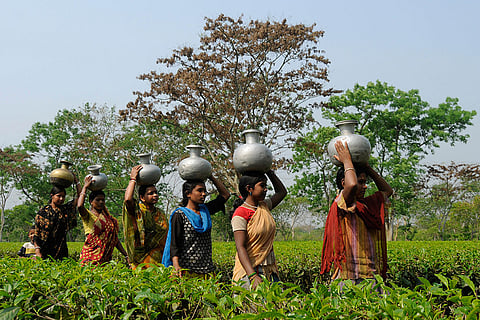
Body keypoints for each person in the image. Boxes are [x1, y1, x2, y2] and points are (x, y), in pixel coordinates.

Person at [320, 140, 393, 283]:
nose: (365, 186)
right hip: (349, 277)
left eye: (365, 182)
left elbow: (387, 190)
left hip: (371, 275)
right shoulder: (343, 203)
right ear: (343, 183)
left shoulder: (367, 206)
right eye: (361, 182)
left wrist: (368, 167)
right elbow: (351, 185)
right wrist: (347, 161)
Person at [162, 174, 230, 278]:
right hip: (187, 269)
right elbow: (174, 243)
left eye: (205, 191)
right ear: (188, 193)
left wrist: (210, 176)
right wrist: (176, 266)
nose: (204, 194)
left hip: (207, 269)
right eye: (200, 191)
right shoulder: (179, 215)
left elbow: (225, 195)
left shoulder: (205, 210)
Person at [231, 170, 287, 289]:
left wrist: (269, 172)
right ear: (249, 188)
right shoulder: (241, 213)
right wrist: (252, 276)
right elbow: (240, 247)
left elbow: (282, 192)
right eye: (262, 185)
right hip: (251, 270)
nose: (266, 189)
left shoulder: (264, 207)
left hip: (269, 270)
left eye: (266, 186)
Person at [123, 165, 169, 269]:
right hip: (140, 259)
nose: (155, 195)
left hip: (159, 258)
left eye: (156, 192)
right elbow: (128, 200)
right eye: (151, 193)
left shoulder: (160, 213)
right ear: (142, 198)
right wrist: (133, 179)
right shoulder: (138, 211)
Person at [77, 176, 128, 266]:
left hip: (105, 259)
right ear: (91, 202)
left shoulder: (108, 219)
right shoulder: (88, 215)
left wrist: (126, 255)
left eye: (103, 200)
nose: (101, 202)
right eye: (98, 200)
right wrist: (85, 187)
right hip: (90, 257)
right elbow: (80, 206)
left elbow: (115, 239)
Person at [33, 176, 81, 260]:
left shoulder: (65, 210)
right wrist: (37, 251)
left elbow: (80, 197)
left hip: (61, 249)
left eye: (63, 196)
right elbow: (37, 233)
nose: (61, 199)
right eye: (58, 196)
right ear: (52, 196)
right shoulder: (43, 212)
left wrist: (77, 182)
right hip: (45, 249)